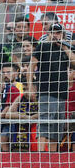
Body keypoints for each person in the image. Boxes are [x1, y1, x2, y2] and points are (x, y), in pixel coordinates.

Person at [28, 23, 75, 152]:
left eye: (58, 33)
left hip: (61, 93)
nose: (55, 35)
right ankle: (40, 155)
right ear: (48, 34)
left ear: (62, 34)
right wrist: (30, 86)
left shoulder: (66, 49)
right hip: (46, 91)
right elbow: (31, 66)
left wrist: (65, 48)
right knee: (44, 123)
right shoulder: (43, 46)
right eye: (52, 33)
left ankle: (53, 157)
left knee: (57, 127)